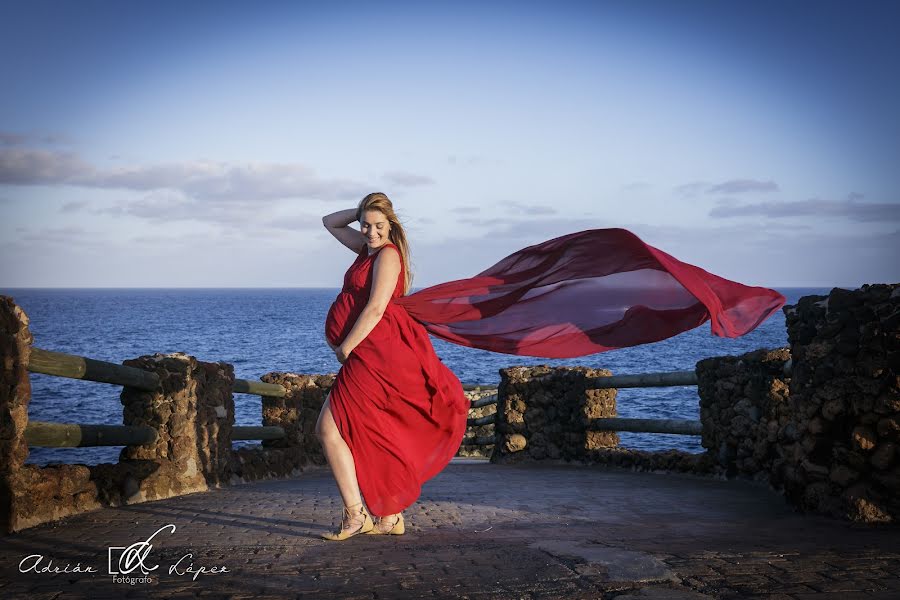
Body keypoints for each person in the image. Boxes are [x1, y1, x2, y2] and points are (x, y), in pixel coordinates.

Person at [316, 192, 786, 541]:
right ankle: (389, 513)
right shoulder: (366, 250)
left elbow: (376, 309)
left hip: (376, 352)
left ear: (393, 229)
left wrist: (345, 347)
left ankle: (358, 513)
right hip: (375, 354)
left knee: (331, 429)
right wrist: (360, 212)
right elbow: (327, 221)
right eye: (368, 226)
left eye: (380, 226)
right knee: (368, 427)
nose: (371, 232)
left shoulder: (388, 256)